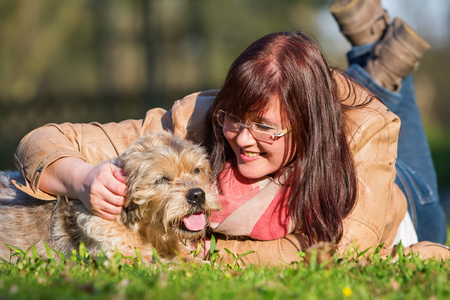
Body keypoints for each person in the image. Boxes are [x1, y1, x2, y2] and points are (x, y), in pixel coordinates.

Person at [12, 0, 450, 265]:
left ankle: (381, 64)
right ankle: (375, 55)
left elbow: (338, 251)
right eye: (235, 119)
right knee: (342, 79)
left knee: (382, 92)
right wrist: (83, 178)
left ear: (308, 126)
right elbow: (44, 139)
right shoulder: (199, 117)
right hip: (307, 99)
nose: (240, 138)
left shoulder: (367, 133)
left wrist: (213, 257)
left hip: (408, 200)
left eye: (264, 128)